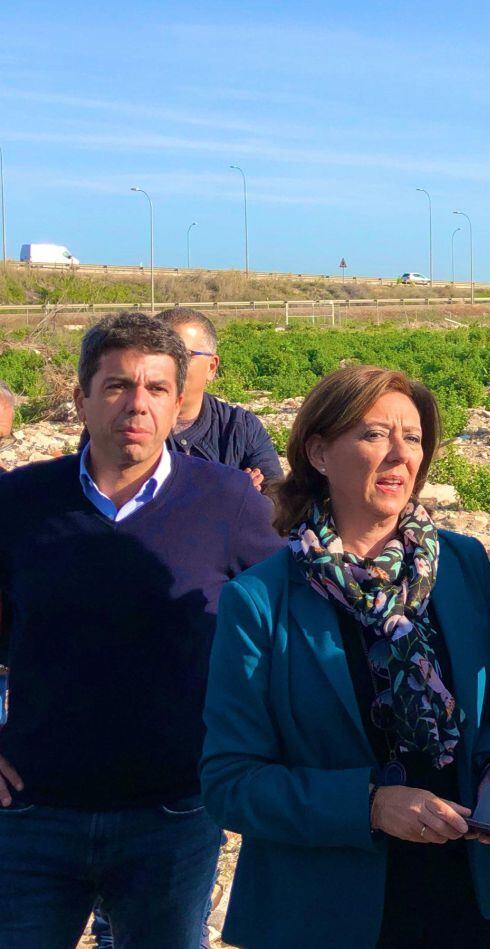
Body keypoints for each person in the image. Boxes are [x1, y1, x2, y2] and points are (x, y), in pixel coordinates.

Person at [200, 365, 490, 948]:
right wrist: (371, 807)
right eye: (374, 434)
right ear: (320, 453)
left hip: (463, 887)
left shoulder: (461, 564)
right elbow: (231, 781)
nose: (399, 455)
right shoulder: (260, 598)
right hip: (323, 907)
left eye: (412, 437)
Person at [0, 312, 283, 947]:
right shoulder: (19, 501)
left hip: (174, 814)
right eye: (117, 386)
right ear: (81, 400)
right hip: (34, 811)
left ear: (180, 399)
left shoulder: (227, 499)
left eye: (157, 388)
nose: (137, 404)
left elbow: (281, 623)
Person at [158, 306, 282, 490]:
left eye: (183, 355)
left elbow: (276, 497)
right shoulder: (128, 426)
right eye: (159, 353)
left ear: (211, 367)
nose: (169, 364)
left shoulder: (239, 428)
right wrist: (227, 495)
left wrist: (251, 500)